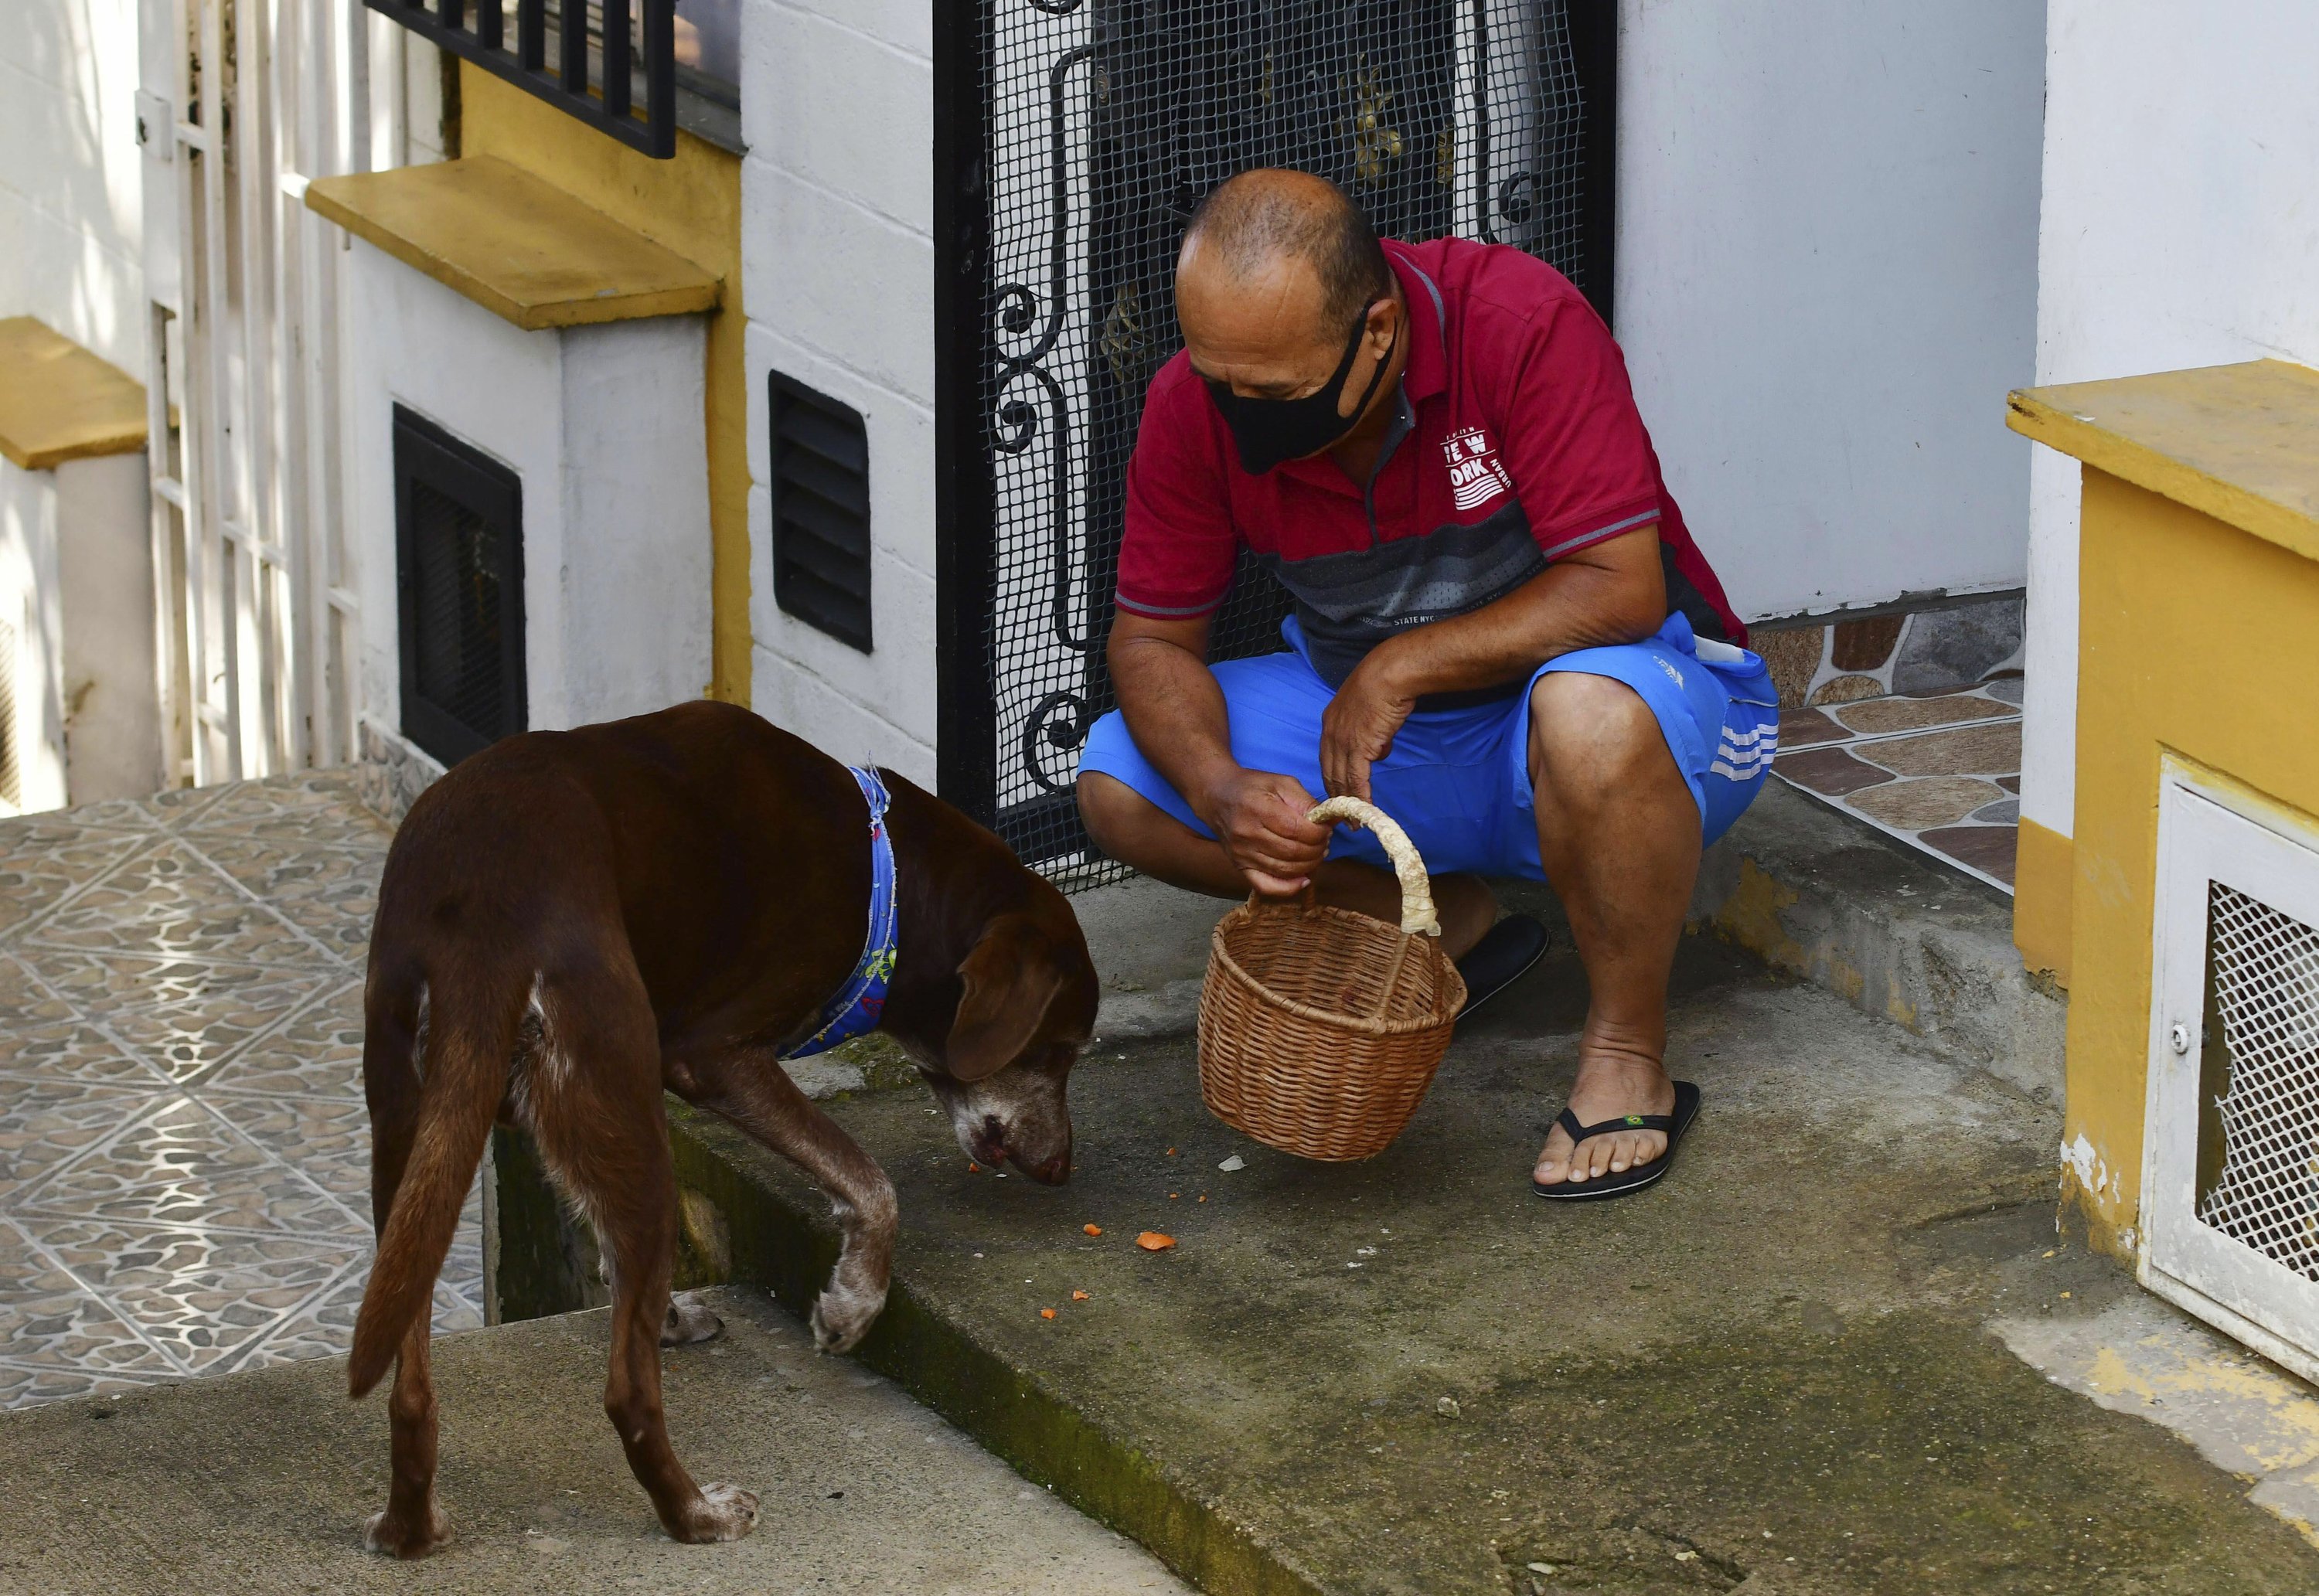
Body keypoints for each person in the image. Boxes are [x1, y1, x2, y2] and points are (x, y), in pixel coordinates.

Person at [1074, 168, 1776, 1200]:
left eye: (1270, 394)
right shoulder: (1198, 400)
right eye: (1217, 379)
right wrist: (1224, 792)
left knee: (1588, 712)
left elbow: (1620, 589)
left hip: (1613, 711)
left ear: (1378, 331)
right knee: (1119, 779)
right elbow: (1151, 643)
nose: (1235, 414)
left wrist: (1403, 662)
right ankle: (1436, 920)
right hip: (1383, 736)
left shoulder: (1521, 323)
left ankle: (1627, 1047)